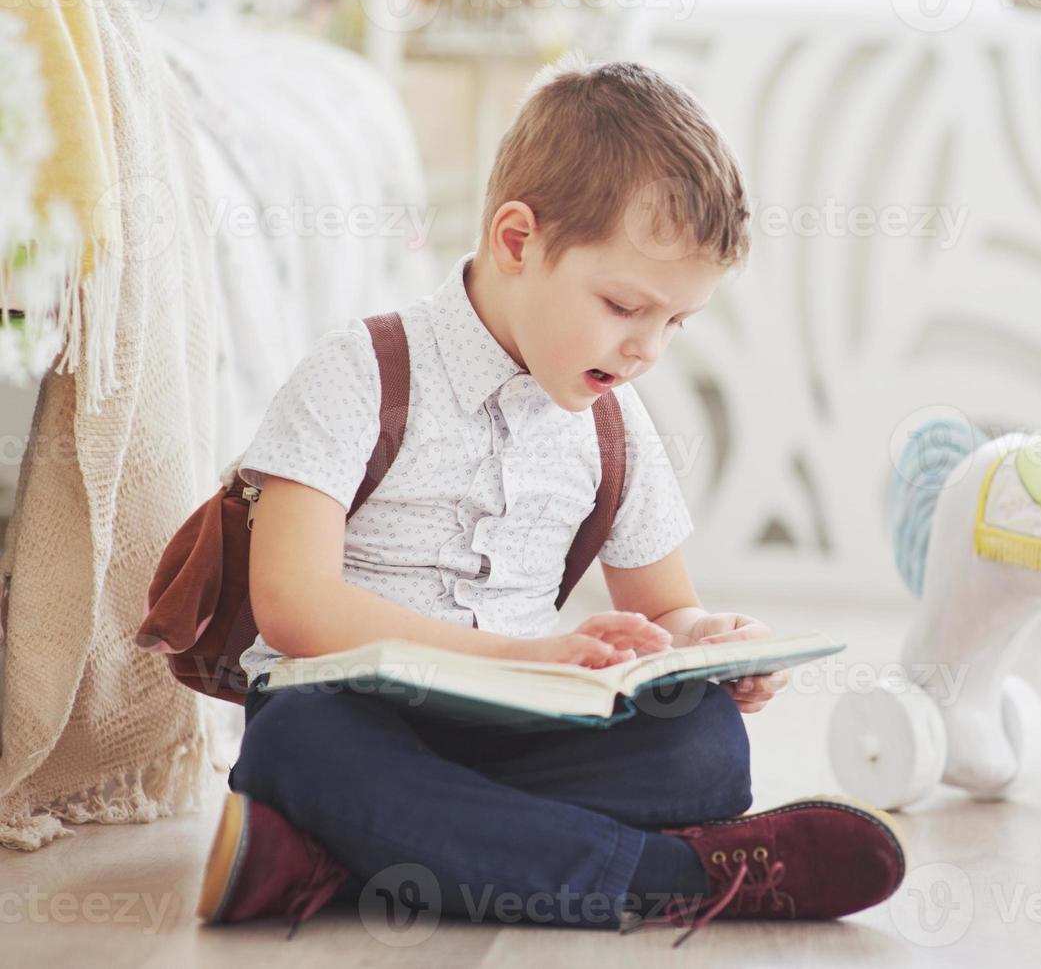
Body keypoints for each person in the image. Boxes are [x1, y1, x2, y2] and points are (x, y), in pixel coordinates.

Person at [196, 57, 906, 945]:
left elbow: (667, 607)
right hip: (357, 714)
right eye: (623, 305)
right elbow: (294, 606)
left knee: (707, 747)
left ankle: (334, 855)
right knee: (295, 747)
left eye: (675, 323)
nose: (647, 348)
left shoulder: (616, 422)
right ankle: (676, 879)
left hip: (521, 731)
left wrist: (708, 646)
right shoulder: (357, 371)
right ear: (517, 241)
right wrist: (519, 654)